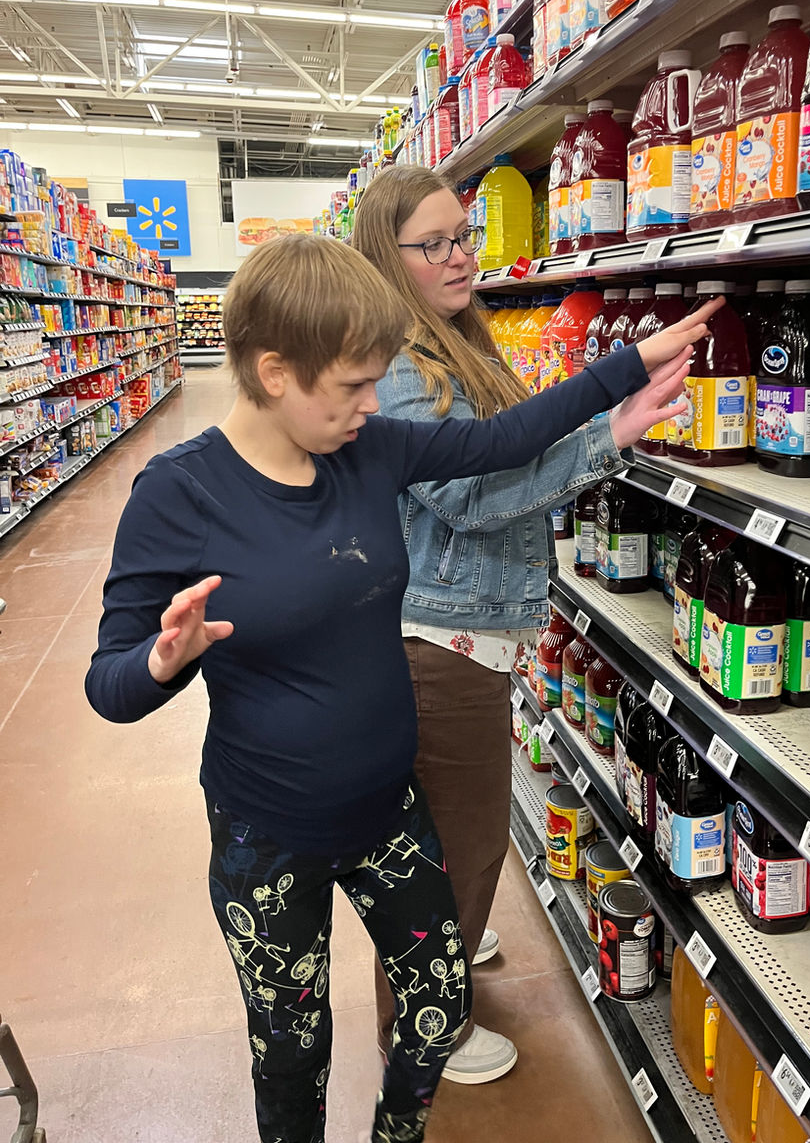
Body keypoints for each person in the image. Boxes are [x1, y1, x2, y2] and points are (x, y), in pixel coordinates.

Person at [84, 233, 715, 1143]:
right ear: (272, 371)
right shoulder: (179, 493)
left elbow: (502, 438)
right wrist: (159, 662)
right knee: (292, 1051)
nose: (372, 405)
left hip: (388, 810)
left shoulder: (366, 451)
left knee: (435, 1007)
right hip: (270, 835)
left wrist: (631, 365)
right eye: (350, 385)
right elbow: (108, 685)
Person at [352, 165, 668, 1084]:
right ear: (387, 255)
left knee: (443, 837)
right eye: (434, 244)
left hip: (459, 632)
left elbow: (513, 444)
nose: (460, 257)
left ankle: (440, 946)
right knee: (461, 839)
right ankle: (425, 1027)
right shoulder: (400, 363)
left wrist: (601, 427)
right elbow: (475, 496)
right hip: (436, 642)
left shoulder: (454, 338)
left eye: (465, 235)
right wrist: (609, 434)